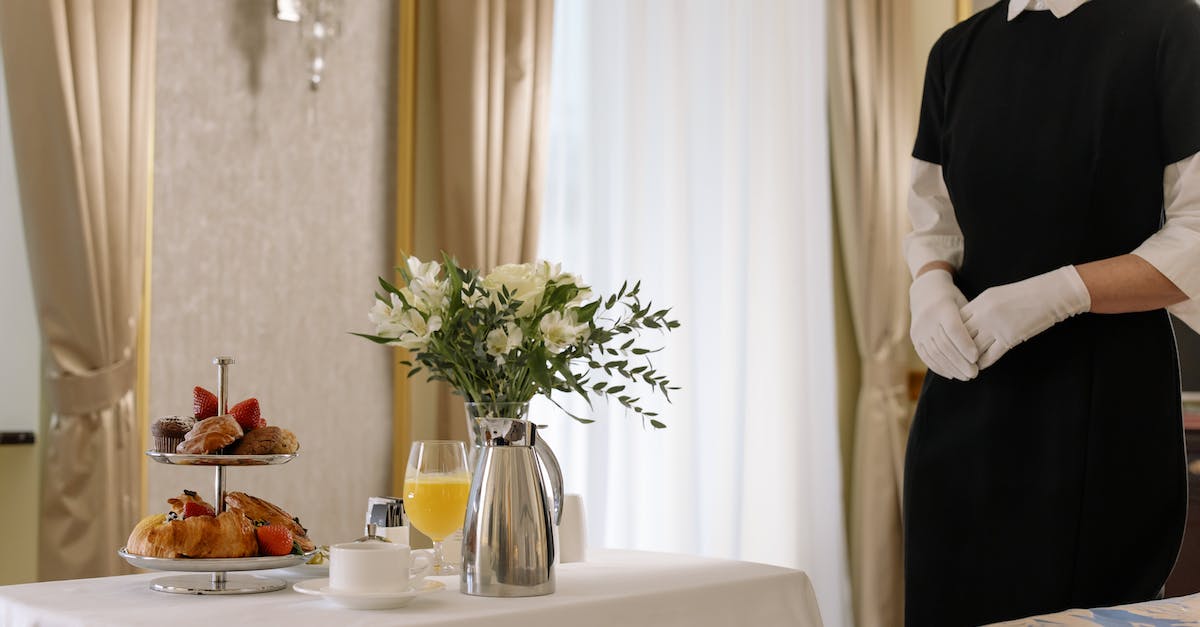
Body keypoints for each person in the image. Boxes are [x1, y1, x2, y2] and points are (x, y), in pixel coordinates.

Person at [904, 0, 1200, 624]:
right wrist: (928, 288)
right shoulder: (956, 50)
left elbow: (1197, 232)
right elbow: (934, 219)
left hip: (1100, 404)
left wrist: (1058, 292)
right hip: (964, 396)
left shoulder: (1174, 29)